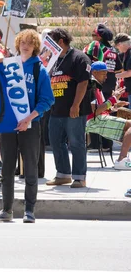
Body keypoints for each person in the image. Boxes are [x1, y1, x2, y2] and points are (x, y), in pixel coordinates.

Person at [0, 30, 55, 223]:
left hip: (31, 125)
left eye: (30, 42)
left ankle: (29, 211)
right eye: (22, 42)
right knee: (8, 168)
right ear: (18, 44)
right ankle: (6, 210)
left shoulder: (39, 70)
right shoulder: (9, 65)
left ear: (35, 46)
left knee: (30, 168)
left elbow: (47, 100)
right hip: (8, 125)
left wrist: (29, 118)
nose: (25, 45)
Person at [47, 28, 91, 188]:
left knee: (76, 142)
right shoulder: (53, 60)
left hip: (74, 110)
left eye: (51, 41)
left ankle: (79, 177)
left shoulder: (79, 58)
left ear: (60, 41)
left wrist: (76, 105)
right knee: (55, 141)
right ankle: (63, 174)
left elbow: (83, 82)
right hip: (56, 110)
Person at [85, 62, 131, 170]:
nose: (106, 77)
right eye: (103, 74)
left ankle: (123, 159)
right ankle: (121, 160)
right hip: (93, 121)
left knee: (127, 131)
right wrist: (113, 99)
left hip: (97, 119)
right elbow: (94, 111)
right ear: (95, 72)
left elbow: (101, 109)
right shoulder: (91, 85)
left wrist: (115, 105)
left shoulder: (97, 86)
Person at [84, 24, 121, 151]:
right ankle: (107, 144)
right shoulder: (114, 51)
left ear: (99, 37)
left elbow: (91, 63)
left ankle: (94, 144)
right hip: (110, 83)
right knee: (108, 111)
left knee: (94, 110)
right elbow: (119, 69)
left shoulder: (96, 46)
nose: (92, 38)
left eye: (94, 35)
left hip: (98, 82)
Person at [115, 33, 131, 102]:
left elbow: (129, 73)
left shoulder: (130, 53)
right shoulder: (126, 53)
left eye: (117, 46)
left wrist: (114, 76)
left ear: (121, 44)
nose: (117, 48)